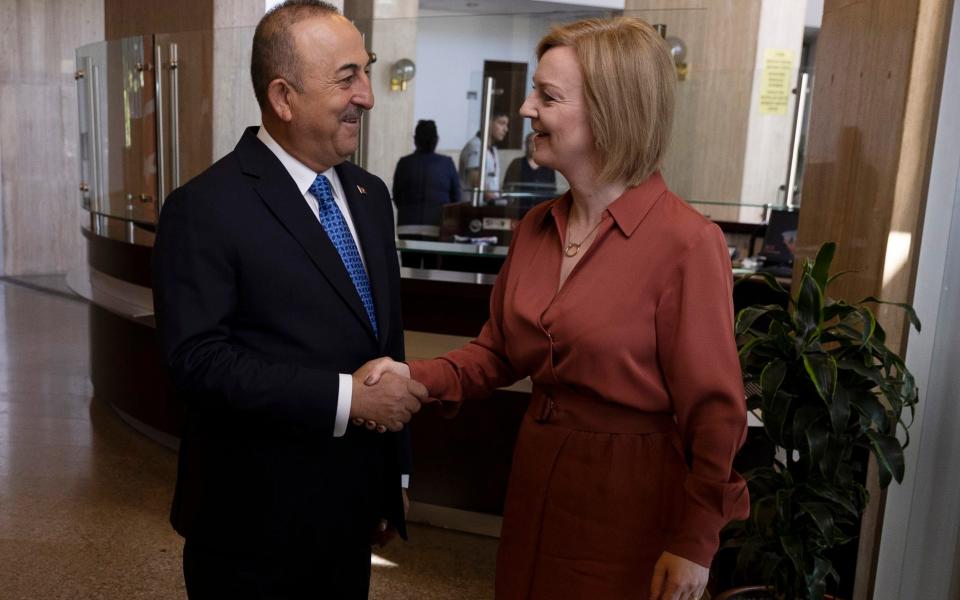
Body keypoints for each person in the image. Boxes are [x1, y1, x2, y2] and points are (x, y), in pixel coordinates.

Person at [363, 16, 749, 600]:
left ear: (609, 111)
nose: (525, 109)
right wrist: (413, 377)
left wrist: (695, 542)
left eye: (547, 95)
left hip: (631, 496)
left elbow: (716, 414)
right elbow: (496, 353)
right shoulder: (538, 226)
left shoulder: (688, 242)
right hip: (538, 473)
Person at [151, 2, 429, 597]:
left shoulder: (371, 196)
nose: (369, 96)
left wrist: (392, 474)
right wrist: (348, 397)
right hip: (251, 531)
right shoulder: (205, 208)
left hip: (351, 518)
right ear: (283, 97)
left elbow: (387, 341)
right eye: (347, 77)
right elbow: (197, 361)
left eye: (368, 70)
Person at [391, 119, 461, 233]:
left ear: (415, 140)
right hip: (437, 227)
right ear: (436, 140)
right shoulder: (447, 163)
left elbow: (397, 195)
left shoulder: (404, 163)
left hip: (407, 227)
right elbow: (456, 197)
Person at [459, 110, 509, 201]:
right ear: (488, 122)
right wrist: (494, 200)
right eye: (502, 123)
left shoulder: (493, 149)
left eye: (506, 125)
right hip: (473, 206)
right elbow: (475, 179)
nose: (506, 129)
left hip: (489, 206)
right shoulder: (474, 146)